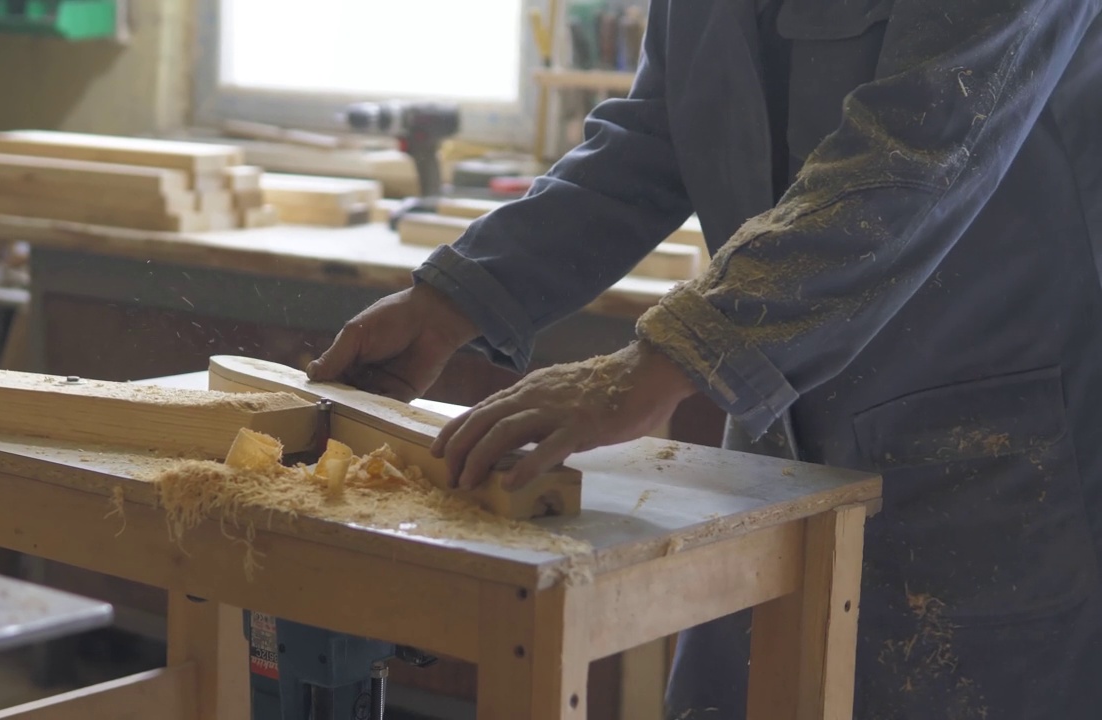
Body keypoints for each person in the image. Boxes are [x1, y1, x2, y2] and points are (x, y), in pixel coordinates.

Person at [309, 0, 1102, 717]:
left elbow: (915, 152)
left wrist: (656, 364)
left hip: (992, 460)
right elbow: (660, 131)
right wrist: (460, 296)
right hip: (780, 443)